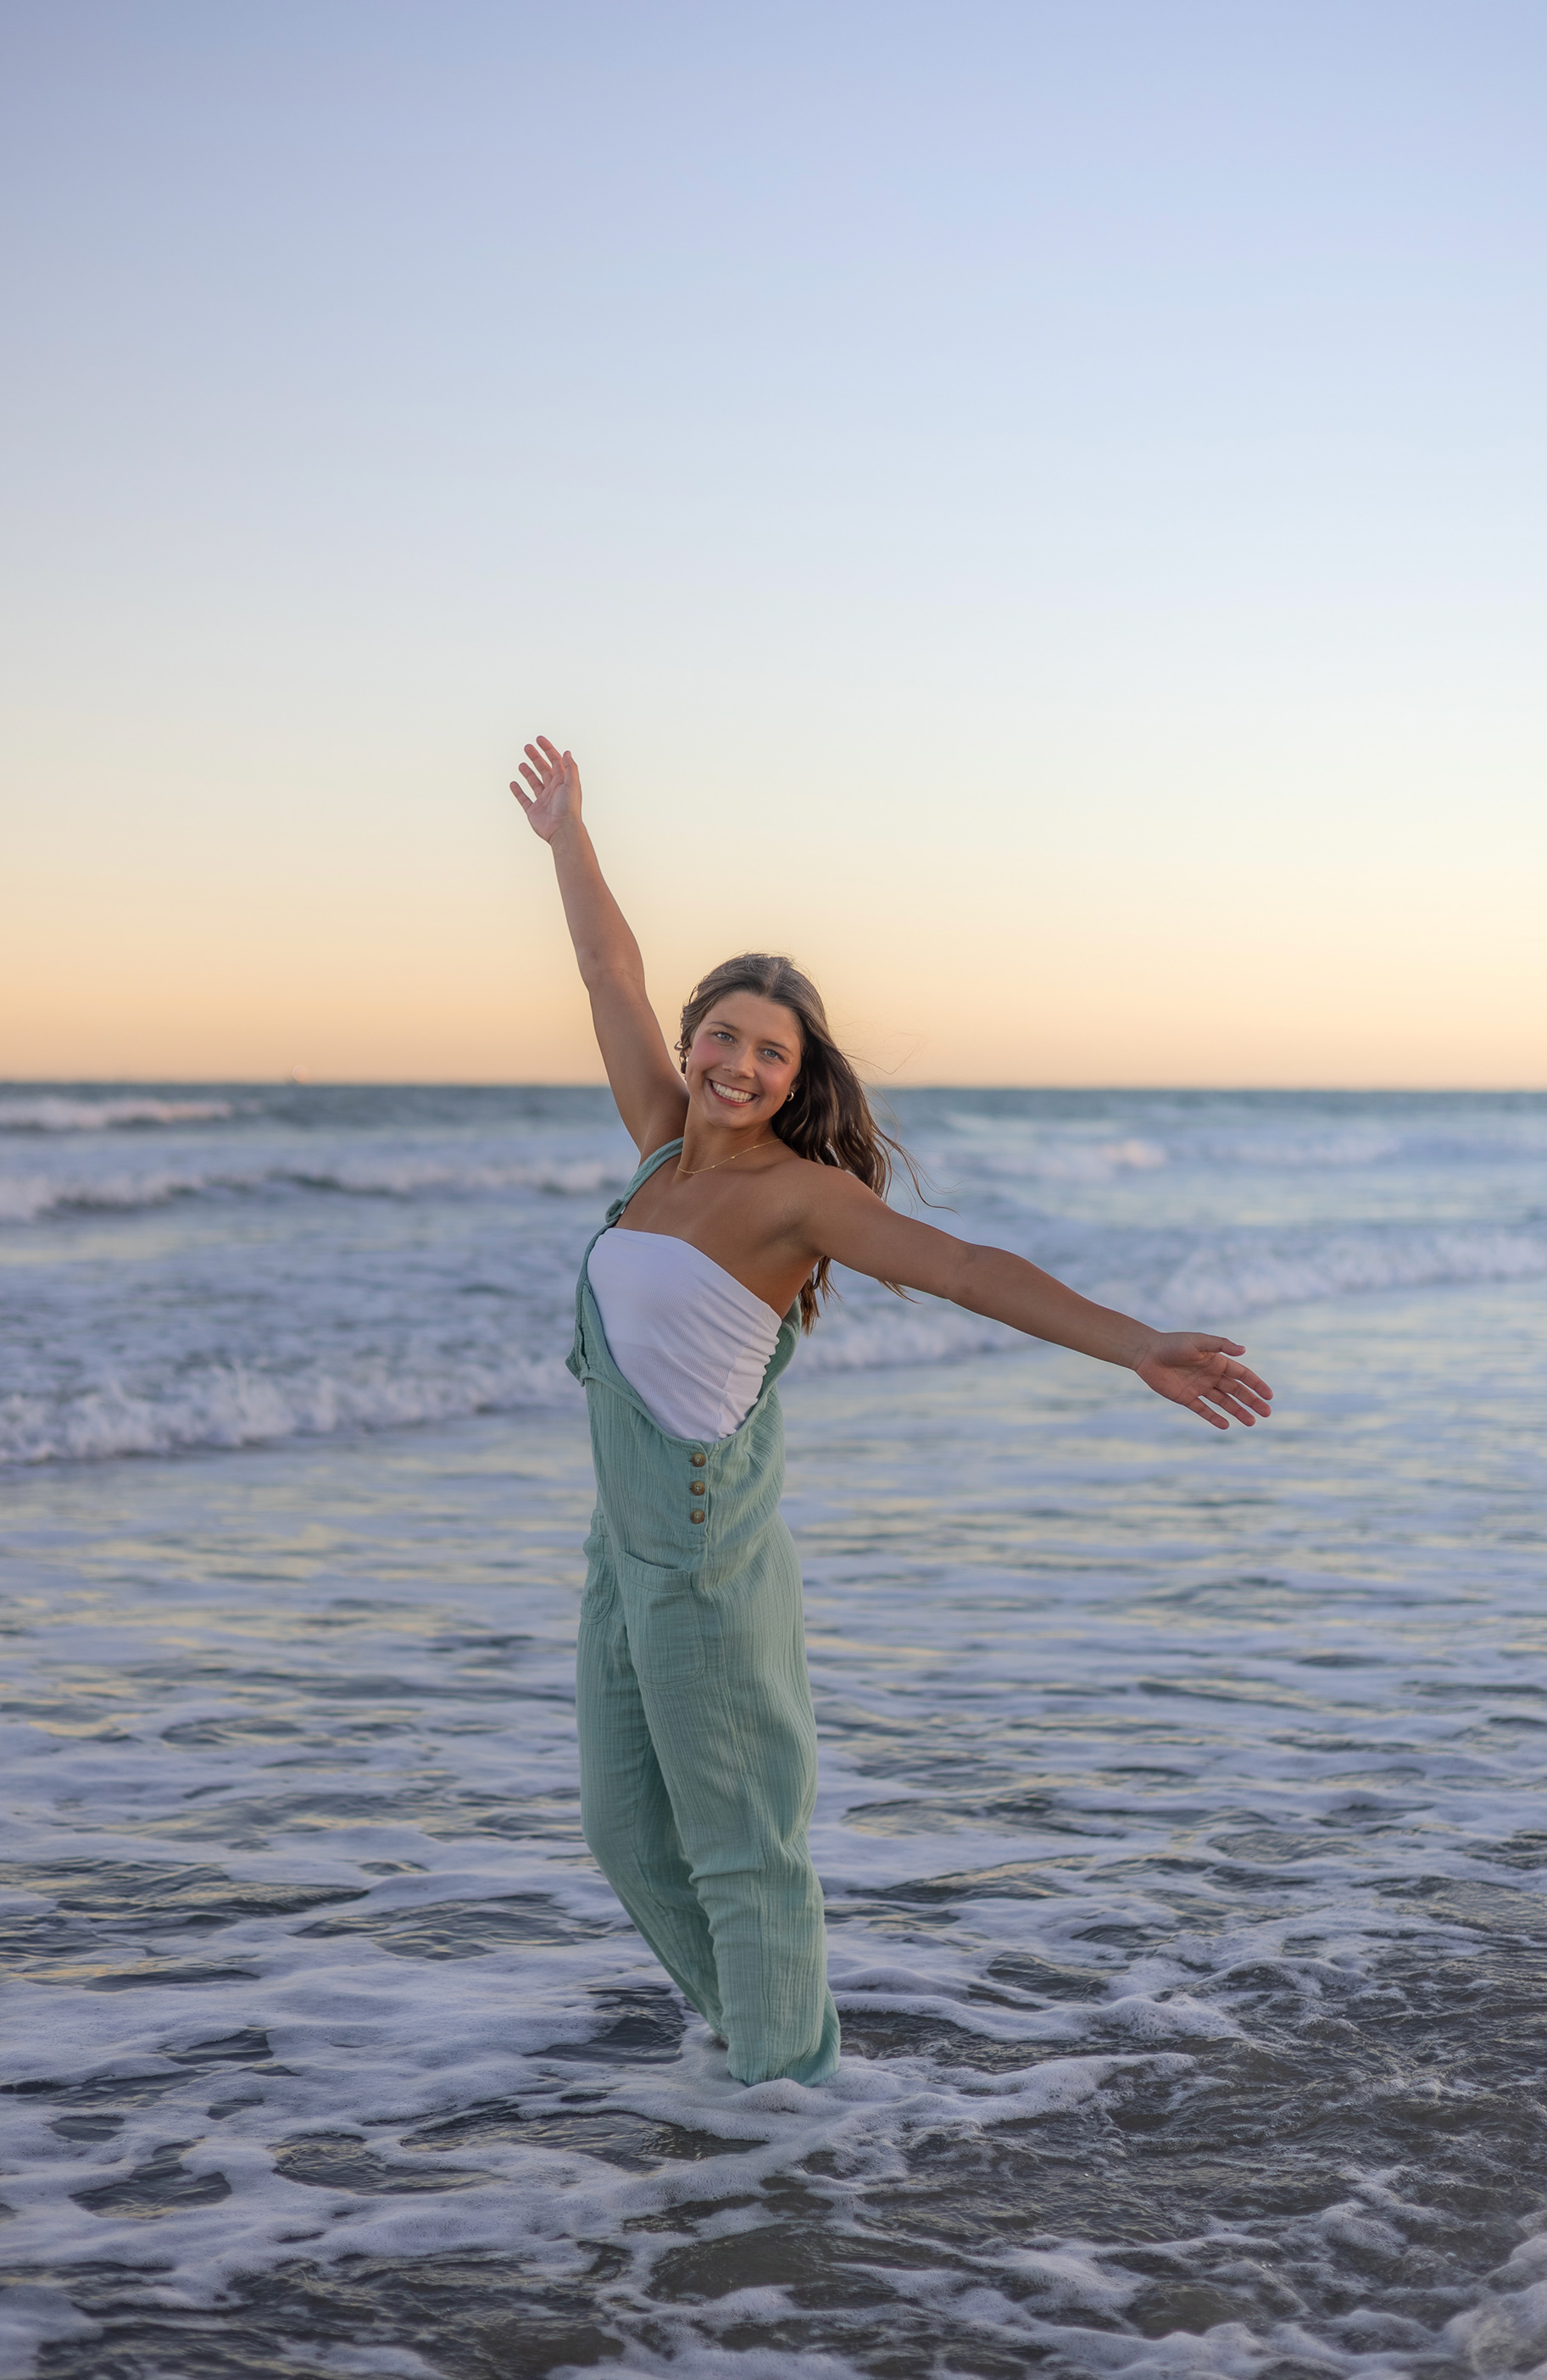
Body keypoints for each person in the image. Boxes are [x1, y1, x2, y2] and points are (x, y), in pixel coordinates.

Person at [511, 734, 1273, 2088]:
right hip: (619, 1549)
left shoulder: (801, 1198)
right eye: (724, 1035)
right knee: (626, 1832)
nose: (740, 1064)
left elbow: (966, 1268)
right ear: (693, 1040)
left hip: (702, 1555)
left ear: (797, 1079)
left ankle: (787, 2115)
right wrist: (570, 833)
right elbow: (605, 971)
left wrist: (1137, 1344)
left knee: (743, 1848)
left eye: (771, 1052)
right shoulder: (659, 1152)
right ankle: (766, 2062)